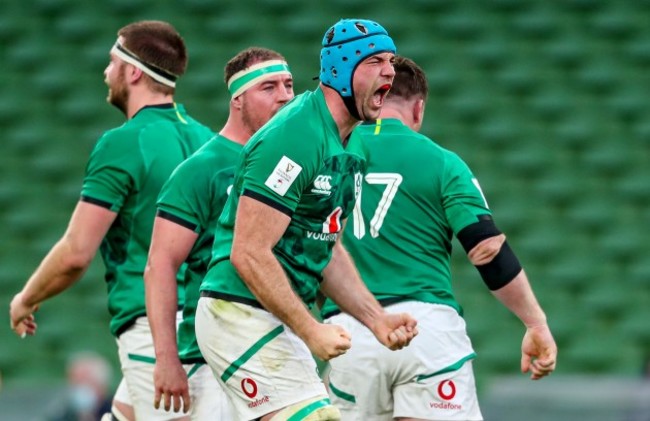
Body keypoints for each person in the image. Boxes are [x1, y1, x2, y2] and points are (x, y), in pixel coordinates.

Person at [194, 18, 418, 421]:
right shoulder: (295, 135)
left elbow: (326, 248)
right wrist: (312, 330)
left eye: (391, 61)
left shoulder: (353, 145)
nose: (390, 71)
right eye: (375, 61)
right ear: (340, 70)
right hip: (239, 312)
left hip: (276, 317)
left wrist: (376, 319)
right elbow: (248, 253)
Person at [320, 56, 558, 420]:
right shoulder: (443, 162)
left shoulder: (326, 158)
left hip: (351, 332)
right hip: (426, 331)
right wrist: (535, 323)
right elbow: (486, 248)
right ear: (418, 108)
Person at [9, 20, 213, 421]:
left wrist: (25, 299)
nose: (106, 72)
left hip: (154, 333)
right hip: (202, 323)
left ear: (133, 71)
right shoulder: (208, 139)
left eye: (112, 61)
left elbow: (75, 253)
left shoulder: (121, 143)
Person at [144, 47, 294, 419]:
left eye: (289, 85)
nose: (285, 96)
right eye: (269, 87)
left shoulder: (293, 164)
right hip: (213, 360)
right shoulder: (202, 169)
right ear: (237, 99)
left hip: (280, 350)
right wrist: (167, 360)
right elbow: (160, 265)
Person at [50, 351, 114, 421]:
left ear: (101, 385)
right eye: (74, 381)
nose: (78, 388)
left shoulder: (117, 412)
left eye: (84, 381)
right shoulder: (64, 414)